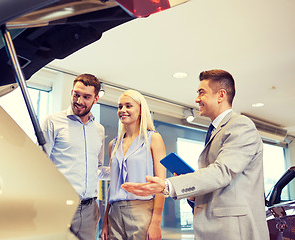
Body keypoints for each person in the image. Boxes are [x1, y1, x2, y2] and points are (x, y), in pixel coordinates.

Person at [122, 70, 270, 240]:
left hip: (235, 231)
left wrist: (168, 185)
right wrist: (194, 196)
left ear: (221, 95)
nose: (197, 99)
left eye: (201, 92)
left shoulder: (241, 125)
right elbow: (216, 183)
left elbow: (222, 172)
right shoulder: (215, 130)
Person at [42, 73, 108, 240]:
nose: (79, 101)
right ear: (71, 92)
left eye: (86, 97)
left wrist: (123, 171)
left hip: (89, 209)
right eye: (76, 95)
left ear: (96, 99)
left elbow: (98, 169)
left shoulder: (99, 130)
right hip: (60, 206)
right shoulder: (53, 122)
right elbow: (40, 164)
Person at [100, 89, 166, 240]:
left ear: (141, 110)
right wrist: (105, 221)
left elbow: (161, 185)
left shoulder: (153, 139)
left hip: (142, 210)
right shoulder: (113, 145)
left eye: (128, 106)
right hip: (114, 213)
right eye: (120, 106)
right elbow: (113, 185)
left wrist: (156, 222)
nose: (123, 110)